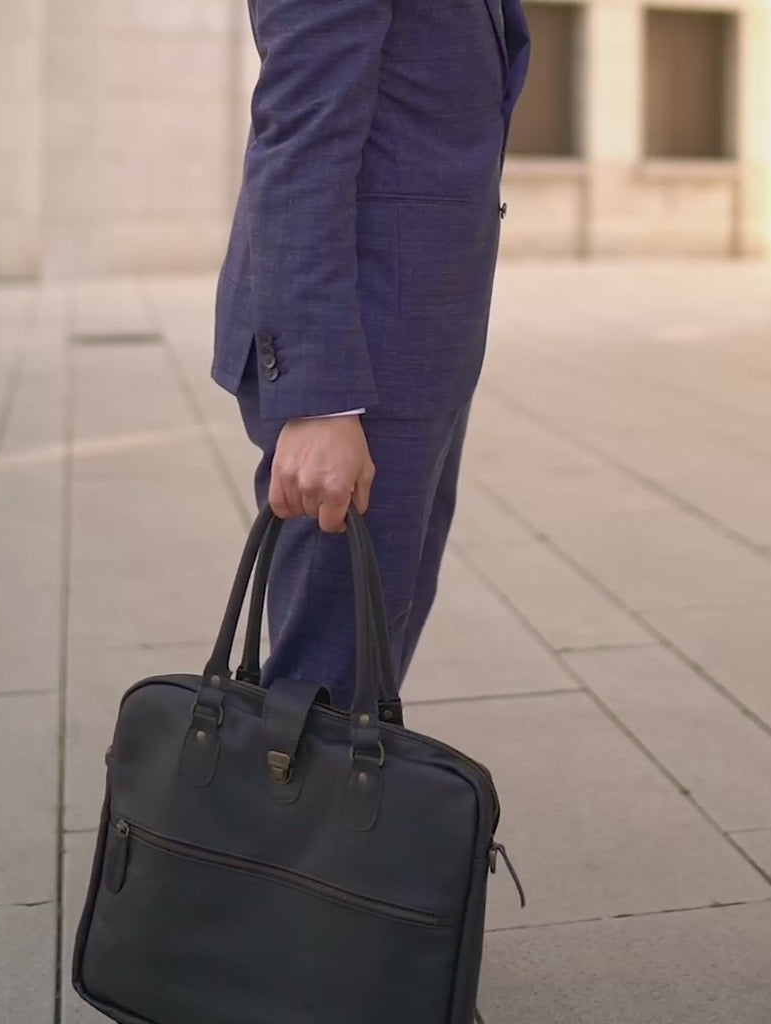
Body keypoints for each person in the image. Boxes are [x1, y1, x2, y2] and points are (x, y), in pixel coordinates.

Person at [212, 0, 531, 707]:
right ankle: (285, 817)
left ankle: (332, 812)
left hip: (419, 334)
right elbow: (300, 139)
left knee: (370, 653)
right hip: (359, 345)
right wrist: (319, 400)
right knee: (325, 688)